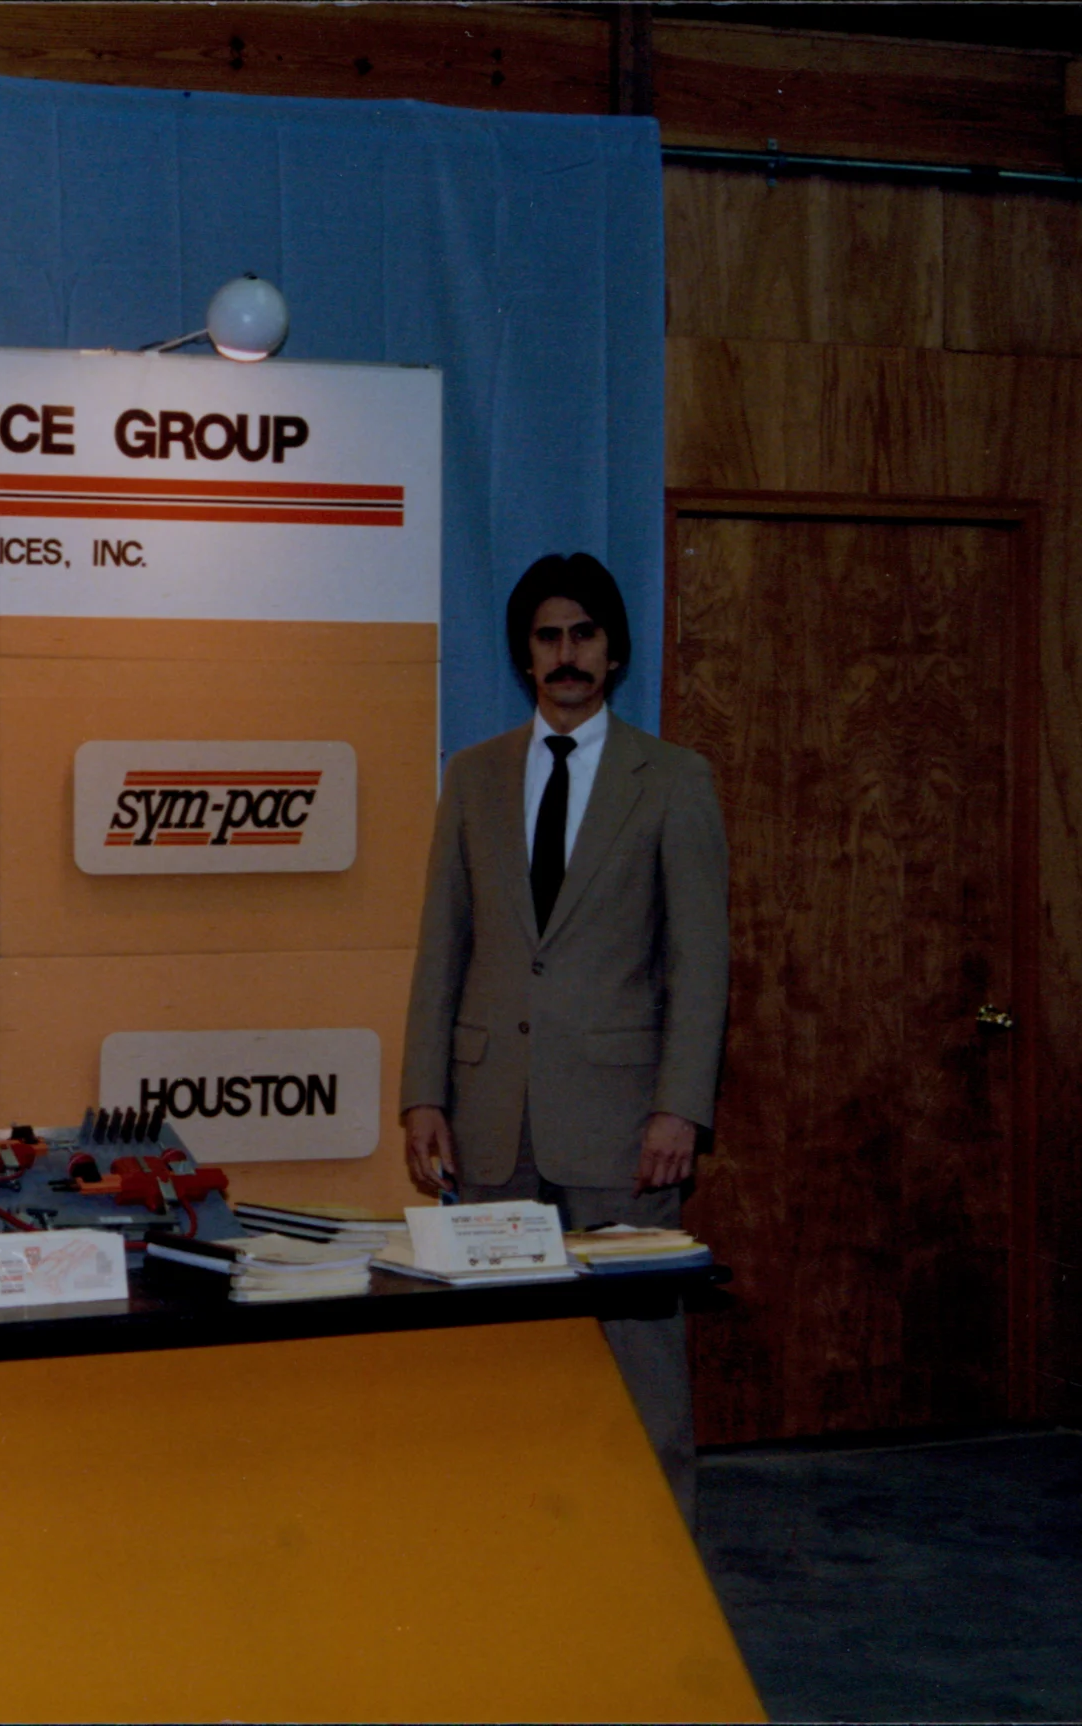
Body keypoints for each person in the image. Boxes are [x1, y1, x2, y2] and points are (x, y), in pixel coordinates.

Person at [399, 552, 728, 1526]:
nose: (566, 655)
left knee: (643, 1377)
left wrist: (680, 1106)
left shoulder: (672, 780)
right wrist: (424, 1092)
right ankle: (504, 1550)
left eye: (583, 635)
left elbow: (699, 961)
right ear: (524, 656)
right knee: (495, 1366)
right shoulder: (472, 777)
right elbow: (440, 944)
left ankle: (656, 1560)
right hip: (493, 1122)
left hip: (625, 1129)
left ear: (613, 651)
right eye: (547, 638)